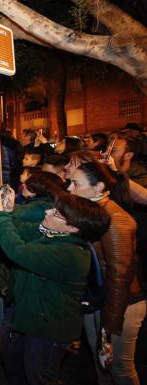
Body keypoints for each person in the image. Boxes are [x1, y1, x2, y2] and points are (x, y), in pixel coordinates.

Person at [0, 192, 110, 385]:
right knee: (19, 365)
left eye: (56, 213)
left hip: (49, 329)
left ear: (72, 227)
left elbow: (19, 251)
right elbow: (20, 230)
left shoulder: (70, 254)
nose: (48, 212)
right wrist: (9, 212)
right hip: (33, 317)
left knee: (40, 376)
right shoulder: (52, 233)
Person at [67, 162, 145, 385]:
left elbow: (120, 275)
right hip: (101, 301)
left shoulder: (115, 220)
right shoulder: (93, 212)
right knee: (100, 361)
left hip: (121, 306)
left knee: (120, 369)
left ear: (99, 187)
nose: (70, 189)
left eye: (75, 183)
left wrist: (109, 325)